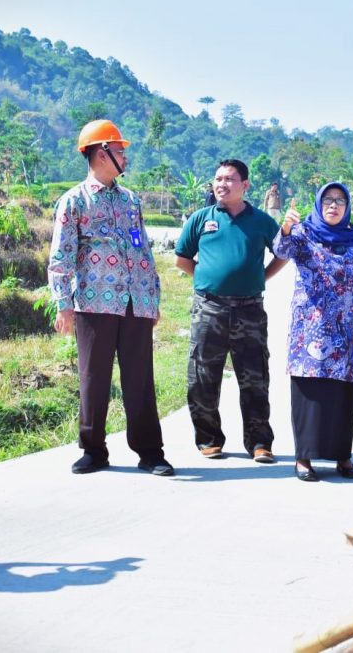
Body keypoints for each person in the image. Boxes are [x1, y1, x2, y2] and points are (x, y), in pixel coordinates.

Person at [47, 119, 173, 476]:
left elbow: (143, 250)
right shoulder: (74, 201)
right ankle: (93, 450)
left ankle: (150, 451)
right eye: (119, 150)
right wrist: (63, 305)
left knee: (140, 379)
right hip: (93, 303)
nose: (124, 156)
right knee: (93, 377)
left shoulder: (130, 200)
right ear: (100, 153)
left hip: (135, 304)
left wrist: (152, 298)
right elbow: (61, 256)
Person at [175, 159, 288, 462]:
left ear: (245, 185)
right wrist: (204, 278)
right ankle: (209, 439)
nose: (221, 184)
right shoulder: (201, 219)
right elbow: (182, 259)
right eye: (217, 179)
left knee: (254, 378)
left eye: (229, 179)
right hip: (209, 308)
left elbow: (283, 254)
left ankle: (260, 442)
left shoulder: (261, 221)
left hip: (250, 310)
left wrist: (260, 277)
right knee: (202, 377)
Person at [273, 182, 353, 482]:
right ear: (319, 204)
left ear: (347, 207)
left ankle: (343, 457)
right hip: (310, 330)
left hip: (346, 331)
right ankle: (303, 458)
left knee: (343, 395)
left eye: (340, 201)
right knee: (310, 393)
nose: (334, 206)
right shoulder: (303, 234)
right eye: (329, 200)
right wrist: (285, 228)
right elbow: (280, 250)